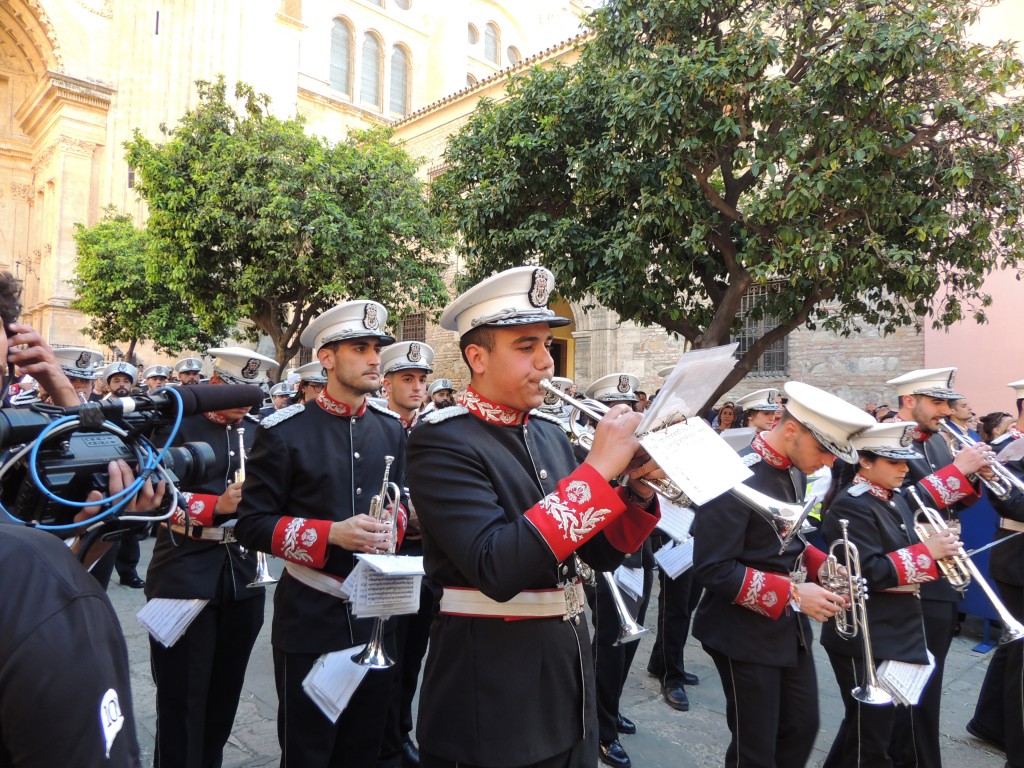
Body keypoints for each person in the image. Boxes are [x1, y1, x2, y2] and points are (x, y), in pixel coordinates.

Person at [406, 266, 664, 768]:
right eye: (527, 347)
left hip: (569, 669)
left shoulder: (547, 432)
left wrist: (634, 489)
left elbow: (598, 554)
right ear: (476, 358)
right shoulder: (442, 438)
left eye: (547, 344)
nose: (546, 363)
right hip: (491, 682)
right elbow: (496, 567)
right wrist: (596, 472)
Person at [235, 300, 409, 768]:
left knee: (364, 748)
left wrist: (397, 522)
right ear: (328, 358)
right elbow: (252, 523)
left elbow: (403, 501)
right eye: (360, 347)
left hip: (377, 615)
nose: (376, 358)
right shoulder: (284, 432)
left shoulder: (391, 429)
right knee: (309, 750)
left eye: (377, 347)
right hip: (311, 616)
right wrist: (330, 534)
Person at [692, 381, 874, 768]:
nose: (828, 463)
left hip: (784, 628)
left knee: (801, 728)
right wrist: (793, 595)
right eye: (824, 449)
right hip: (740, 631)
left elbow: (783, 539)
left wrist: (820, 563)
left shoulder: (793, 468)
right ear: (790, 428)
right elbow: (713, 568)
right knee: (755, 750)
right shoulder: (732, 474)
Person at [144, 346, 277, 768]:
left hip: (242, 577)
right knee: (182, 701)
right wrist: (216, 506)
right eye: (236, 391)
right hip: (184, 574)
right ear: (214, 384)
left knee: (223, 697)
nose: (245, 403)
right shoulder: (174, 425)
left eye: (252, 393)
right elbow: (152, 499)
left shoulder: (261, 431)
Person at [819, 422, 961, 768]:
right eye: (894, 462)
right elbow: (866, 571)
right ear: (865, 462)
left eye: (905, 462)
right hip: (866, 635)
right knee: (870, 740)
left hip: (896, 629)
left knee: (867, 733)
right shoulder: (851, 506)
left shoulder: (891, 498)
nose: (904, 469)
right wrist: (928, 552)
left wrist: (936, 548)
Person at [886, 367, 991, 768]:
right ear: (909, 401)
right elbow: (897, 505)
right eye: (937, 402)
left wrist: (975, 476)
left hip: (941, 568)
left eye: (948, 402)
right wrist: (956, 471)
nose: (946, 411)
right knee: (913, 679)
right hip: (908, 571)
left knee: (929, 678)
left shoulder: (937, 441)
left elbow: (949, 499)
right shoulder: (888, 442)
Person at [582, 372, 656, 768]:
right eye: (617, 409)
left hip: (636, 552)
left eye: (632, 409)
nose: (626, 416)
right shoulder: (584, 448)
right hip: (601, 557)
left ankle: (608, 707)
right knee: (608, 643)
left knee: (627, 642)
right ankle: (600, 726)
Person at [376, 340, 437, 767]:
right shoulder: (376, 428)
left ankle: (400, 731)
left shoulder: (434, 430)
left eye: (421, 380)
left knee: (414, 653)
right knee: (386, 656)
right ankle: (381, 739)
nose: (417, 388)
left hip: (426, 559)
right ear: (387, 384)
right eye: (407, 379)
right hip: (387, 558)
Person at [966, 378, 1024, 765]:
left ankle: (989, 722)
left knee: (1013, 648)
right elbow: (1011, 506)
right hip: (1018, 561)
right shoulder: (1014, 449)